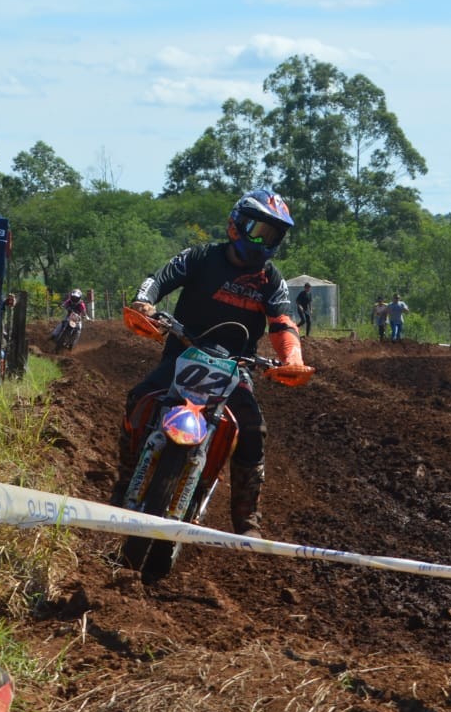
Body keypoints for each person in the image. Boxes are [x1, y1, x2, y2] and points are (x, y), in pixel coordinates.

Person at [113, 188, 310, 539]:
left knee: (253, 429)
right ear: (236, 225)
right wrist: (145, 302)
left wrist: (291, 358)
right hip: (184, 351)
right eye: (259, 230)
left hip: (235, 366)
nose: (265, 240)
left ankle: (247, 517)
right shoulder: (203, 256)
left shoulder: (271, 279)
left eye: (274, 234)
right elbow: (160, 278)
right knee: (140, 398)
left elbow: (282, 322)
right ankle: (127, 476)